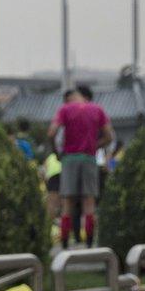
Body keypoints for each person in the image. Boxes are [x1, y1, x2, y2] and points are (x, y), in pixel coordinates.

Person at [46, 87, 114, 247]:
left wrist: (57, 151)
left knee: (67, 202)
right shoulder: (98, 109)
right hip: (89, 158)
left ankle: (64, 244)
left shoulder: (65, 109)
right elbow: (109, 136)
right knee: (89, 202)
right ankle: (90, 243)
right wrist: (95, 146)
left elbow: (51, 133)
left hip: (69, 158)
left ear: (70, 98)